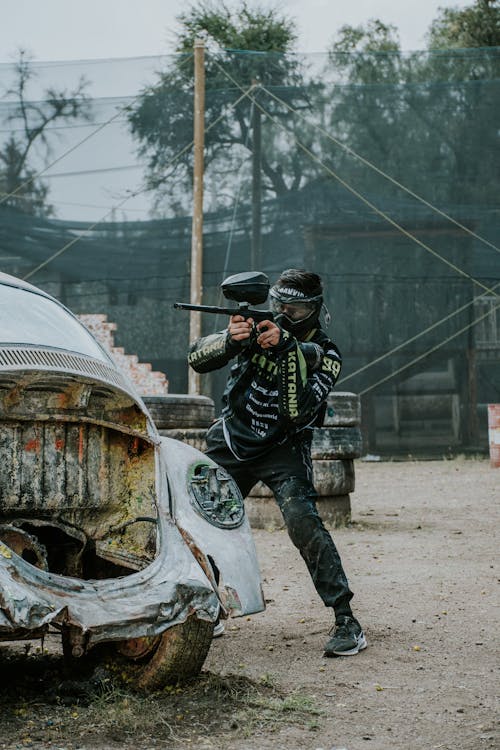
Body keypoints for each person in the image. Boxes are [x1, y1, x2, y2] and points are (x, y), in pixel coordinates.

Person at [187, 268, 366, 657]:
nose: (285, 315)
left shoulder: (327, 354)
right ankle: (205, 607)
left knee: (303, 521)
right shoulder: (259, 328)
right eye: (279, 305)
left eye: (296, 309)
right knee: (194, 518)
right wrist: (229, 341)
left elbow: (296, 412)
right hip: (232, 439)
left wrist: (287, 351)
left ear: (315, 310)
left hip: (284, 448)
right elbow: (196, 360)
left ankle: (346, 618)